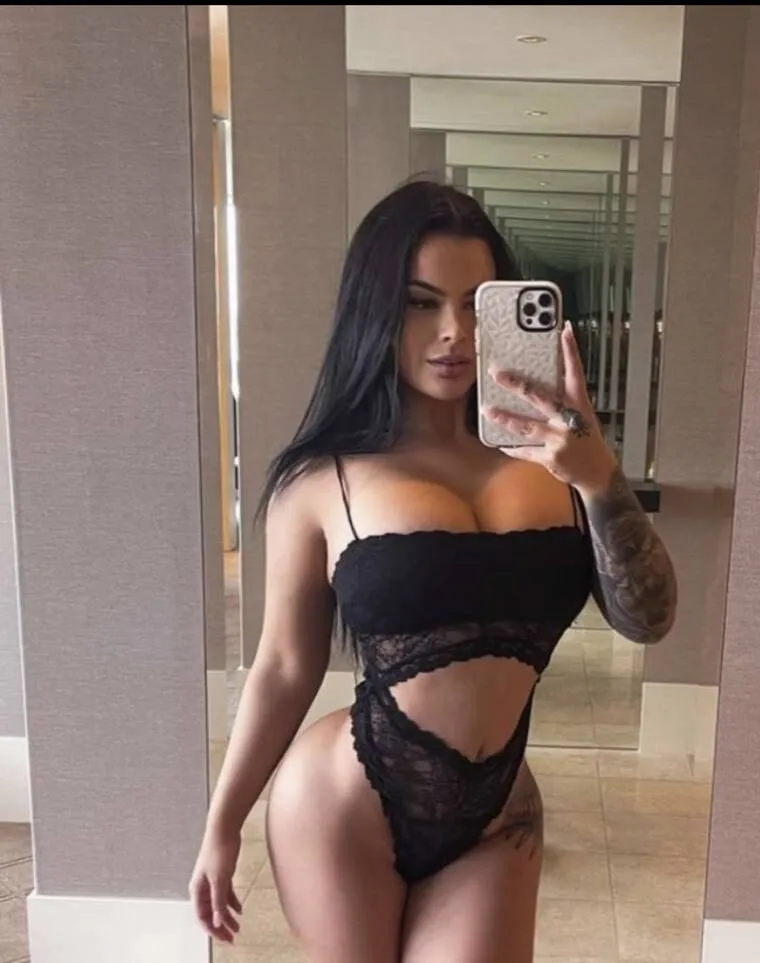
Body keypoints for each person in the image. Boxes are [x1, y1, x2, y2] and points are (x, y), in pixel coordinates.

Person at [189, 180, 678, 963]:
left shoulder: (559, 464)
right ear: (374, 311)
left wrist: (598, 477)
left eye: (476, 305)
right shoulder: (320, 482)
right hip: (344, 804)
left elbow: (648, 618)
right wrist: (222, 824)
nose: (454, 332)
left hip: (497, 809)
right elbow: (283, 665)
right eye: (420, 303)